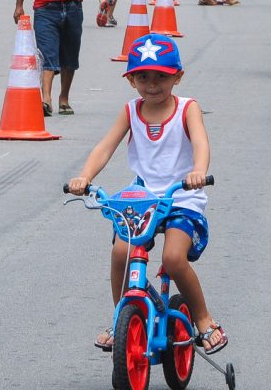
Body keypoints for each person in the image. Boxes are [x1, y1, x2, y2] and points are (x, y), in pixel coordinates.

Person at [66, 32, 228, 355]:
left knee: (172, 257)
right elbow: (105, 147)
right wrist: (85, 176)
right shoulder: (130, 111)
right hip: (144, 200)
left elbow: (200, 142)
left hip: (182, 196)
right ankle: (119, 318)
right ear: (131, 80)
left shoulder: (187, 109)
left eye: (161, 77)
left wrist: (198, 170)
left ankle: (205, 320)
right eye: (143, 77)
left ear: (177, 77)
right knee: (119, 253)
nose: (152, 84)